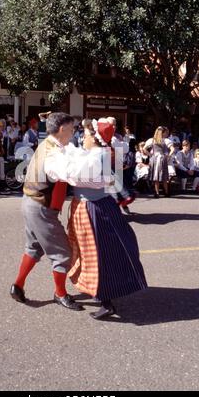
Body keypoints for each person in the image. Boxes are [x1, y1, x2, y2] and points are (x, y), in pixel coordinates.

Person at [60, 118, 147, 320]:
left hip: (92, 209)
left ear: (95, 138)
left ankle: (105, 301)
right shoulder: (99, 153)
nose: (83, 137)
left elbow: (73, 176)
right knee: (94, 254)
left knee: (96, 256)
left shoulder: (97, 156)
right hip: (94, 206)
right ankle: (100, 294)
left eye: (87, 134)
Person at [10, 112, 83, 311]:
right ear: (62, 129)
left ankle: (18, 285)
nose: (73, 132)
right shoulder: (54, 154)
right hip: (41, 207)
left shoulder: (48, 144)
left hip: (31, 202)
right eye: (71, 128)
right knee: (63, 254)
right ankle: (60, 294)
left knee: (34, 248)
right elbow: (71, 176)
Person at [143, 126, 175, 198]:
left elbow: (144, 148)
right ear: (163, 133)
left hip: (154, 158)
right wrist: (168, 156)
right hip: (162, 158)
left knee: (156, 176)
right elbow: (173, 149)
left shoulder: (152, 140)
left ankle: (157, 193)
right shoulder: (166, 140)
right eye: (166, 132)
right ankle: (166, 192)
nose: (167, 133)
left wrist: (150, 155)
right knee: (164, 176)